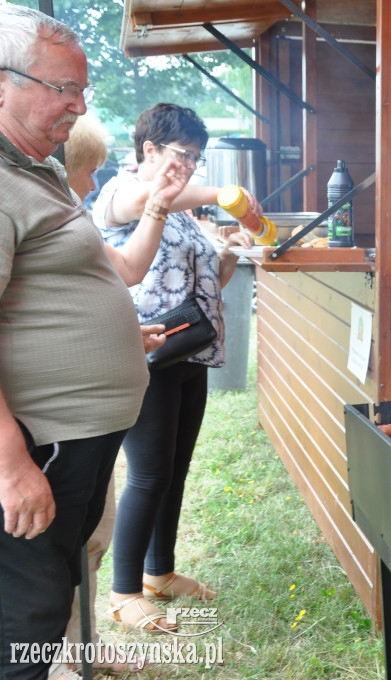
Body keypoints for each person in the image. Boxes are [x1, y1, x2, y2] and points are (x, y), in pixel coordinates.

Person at [0, 6, 188, 679]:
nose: (79, 108)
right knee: (29, 610)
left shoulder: (41, 173)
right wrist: (10, 466)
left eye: (84, 91)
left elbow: (118, 273)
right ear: (1, 84)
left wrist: (109, 332)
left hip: (79, 434)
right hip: (41, 445)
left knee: (52, 596)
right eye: (63, 90)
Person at [93, 102, 256, 633]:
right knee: (148, 474)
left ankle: (159, 573)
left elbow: (205, 285)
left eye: (196, 159)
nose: (189, 167)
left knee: (176, 469)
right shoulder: (121, 192)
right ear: (149, 150)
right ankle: (123, 592)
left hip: (190, 352)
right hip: (147, 354)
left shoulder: (182, 213)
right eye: (182, 155)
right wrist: (226, 195)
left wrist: (228, 251)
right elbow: (145, 200)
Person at [50, 115, 146, 680]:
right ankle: (56, 658)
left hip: (95, 417)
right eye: (87, 173)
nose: (93, 186)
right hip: (58, 422)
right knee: (58, 552)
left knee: (92, 540)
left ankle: (82, 643)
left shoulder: (71, 219)